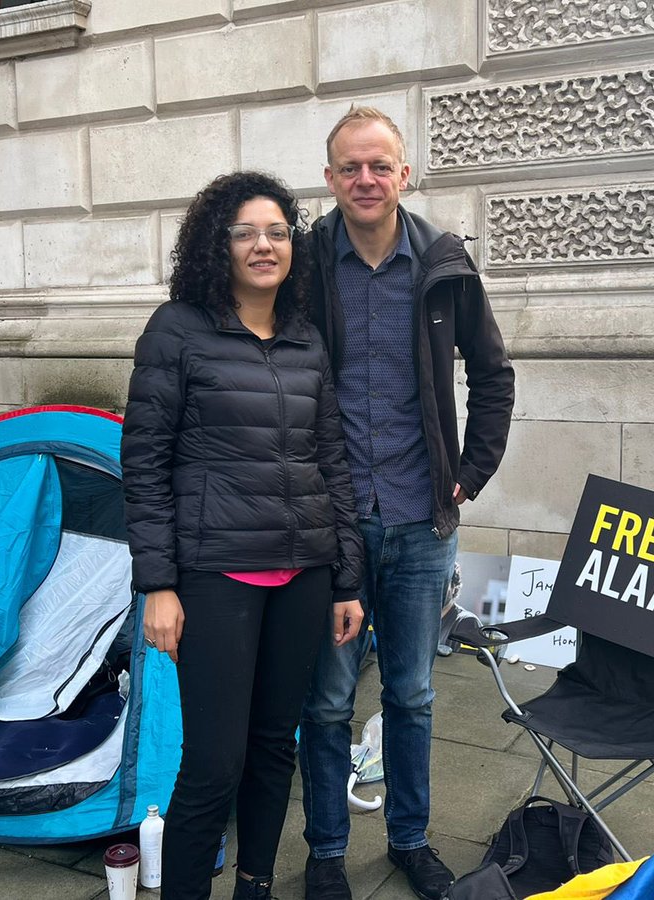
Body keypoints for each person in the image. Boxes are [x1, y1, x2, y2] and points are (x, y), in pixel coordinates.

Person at [122, 171, 366, 900]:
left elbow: (332, 462)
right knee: (212, 764)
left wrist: (347, 577)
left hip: (303, 574)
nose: (265, 245)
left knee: (272, 751)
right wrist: (157, 584)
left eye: (278, 232)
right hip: (216, 575)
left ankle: (254, 885)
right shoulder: (177, 330)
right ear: (216, 244)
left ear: (294, 246)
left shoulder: (306, 340)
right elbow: (144, 462)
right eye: (246, 232)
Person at [299, 107, 516, 900]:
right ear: (330, 179)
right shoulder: (301, 264)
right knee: (324, 699)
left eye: (379, 166)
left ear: (405, 173)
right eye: (350, 168)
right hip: (330, 520)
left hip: (423, 521)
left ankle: (410, 839)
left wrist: (472, 469)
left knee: (414, 694)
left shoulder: (445, 264)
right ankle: (325, 850)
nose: (365, 180)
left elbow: (494, 377)